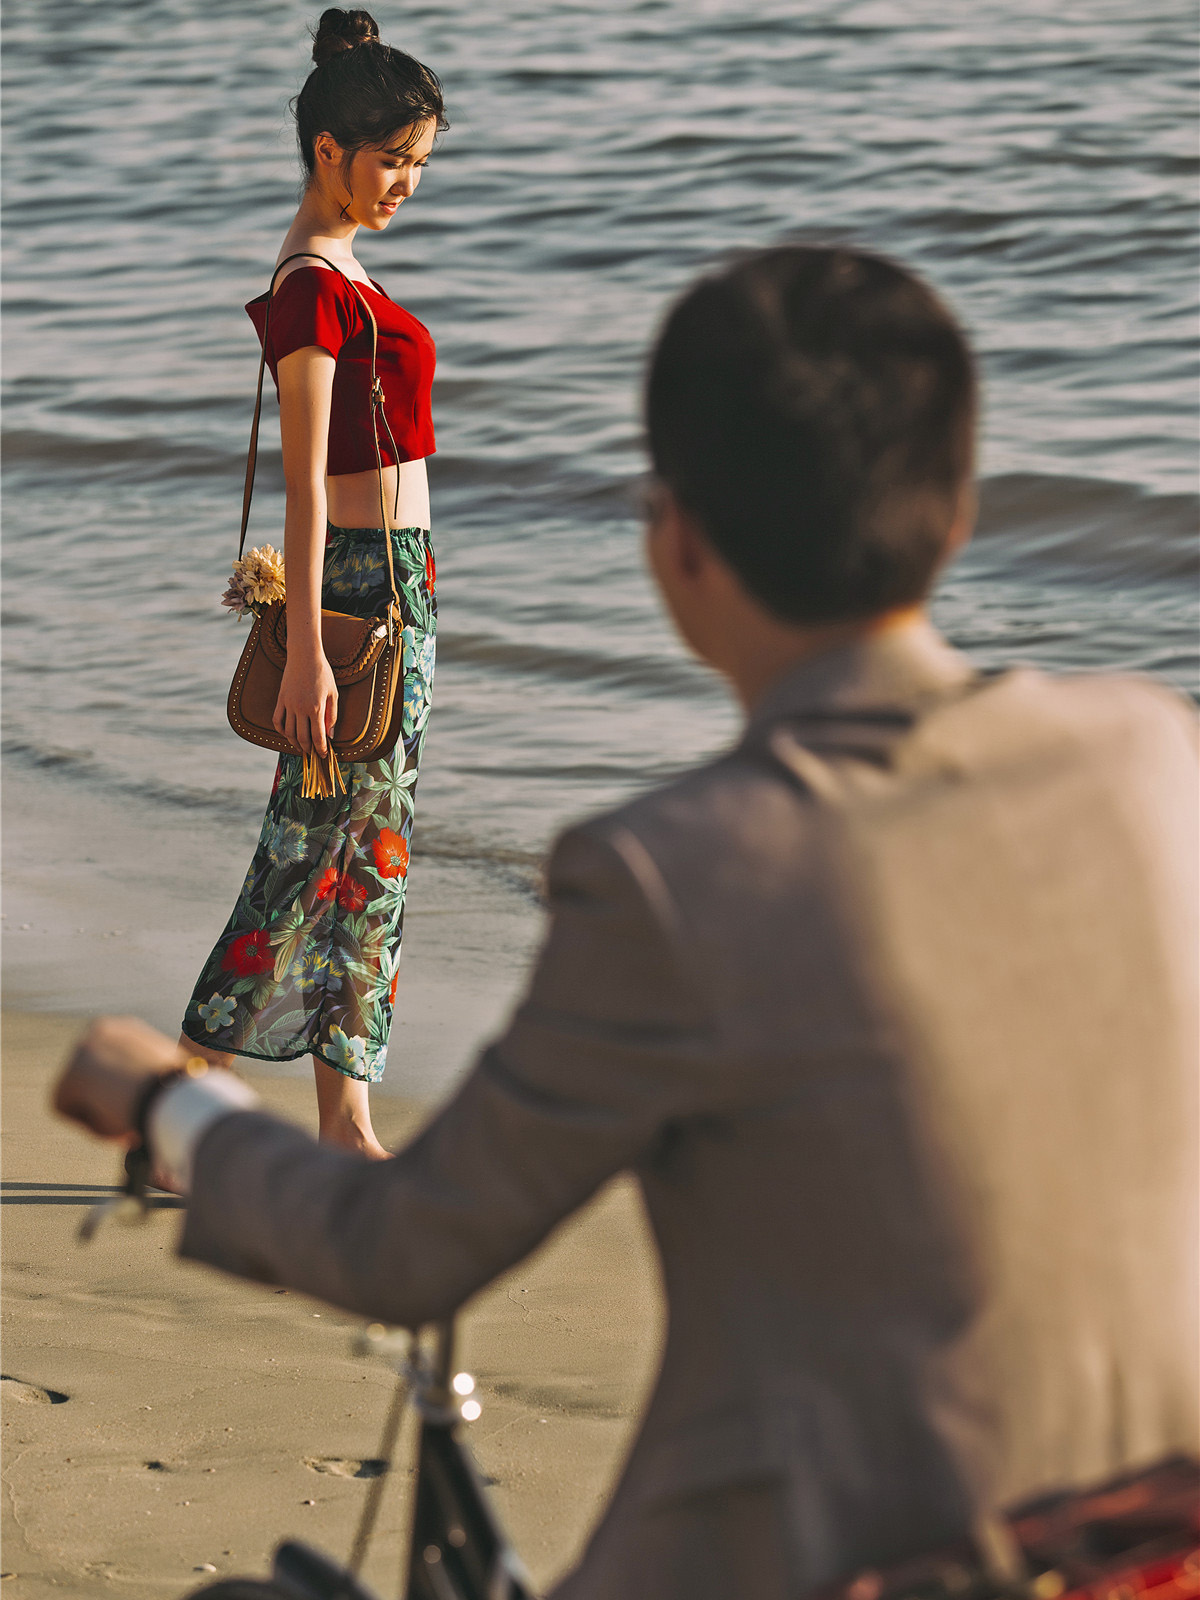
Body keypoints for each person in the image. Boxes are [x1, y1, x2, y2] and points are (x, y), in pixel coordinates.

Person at [56, 245, 1198, 1598]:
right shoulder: (1151, 758)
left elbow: (405, 1247)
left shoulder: (675, 874)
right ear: (956, 513)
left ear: (677, 541)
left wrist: (169, 1104)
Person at [179, 8, 447, 1159]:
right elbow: (303, 484)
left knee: (368, 861)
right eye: (391, 160)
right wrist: (300, 651)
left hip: (401, 586)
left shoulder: (344, 269)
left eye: (419, 163)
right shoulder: (311, 288)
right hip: (351, 590)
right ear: (329, 150)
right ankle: (181, 1113)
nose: (406, 184)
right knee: (303, 852)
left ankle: (346, 1122)